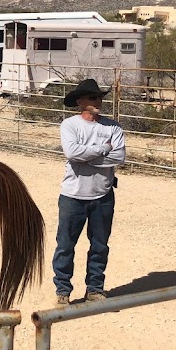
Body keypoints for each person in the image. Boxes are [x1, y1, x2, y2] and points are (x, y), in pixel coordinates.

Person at [52, 78, 126, 306]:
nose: (98, 101)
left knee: (100, 244)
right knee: (65, 245)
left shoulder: (113, 127)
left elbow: (119, 157)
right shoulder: (70, 125)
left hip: (103, 194)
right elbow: (73, 153)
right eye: (93, 97)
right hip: (73, 195)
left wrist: (87, 158)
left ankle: (95, 288)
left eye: (100, 97)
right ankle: (63, 290)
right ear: (80, 101)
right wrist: (103, 149)